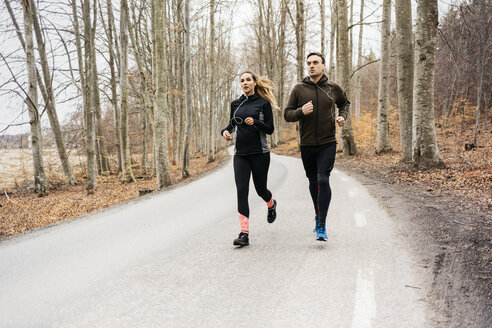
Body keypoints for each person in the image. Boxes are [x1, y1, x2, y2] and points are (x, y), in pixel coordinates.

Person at [284, 52, 349, 241]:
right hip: (307, 144)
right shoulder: (299, 89)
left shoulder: (332, 88)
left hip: (328, 142)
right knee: (313, 182)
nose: (311, 66)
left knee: (322, 179)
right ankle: (318, 214)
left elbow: (344, 103)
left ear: (323, 66)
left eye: (315, 63)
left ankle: (321, 223)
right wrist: (300, 111)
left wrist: (342, 116)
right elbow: (287, 114)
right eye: (309, 63)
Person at [221, 71, 278, 247]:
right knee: (241, 191)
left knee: (261, 189)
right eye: (242, 81)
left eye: (248, 80)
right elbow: (232, 123)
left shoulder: (263, 103)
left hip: (260, 154)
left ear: (254, 82)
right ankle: (244, 233)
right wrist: (225, 131)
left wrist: (256, 122)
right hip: (240, 155)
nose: (245, 83)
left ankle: (271, 203)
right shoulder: (235, 104)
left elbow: (269, 129)